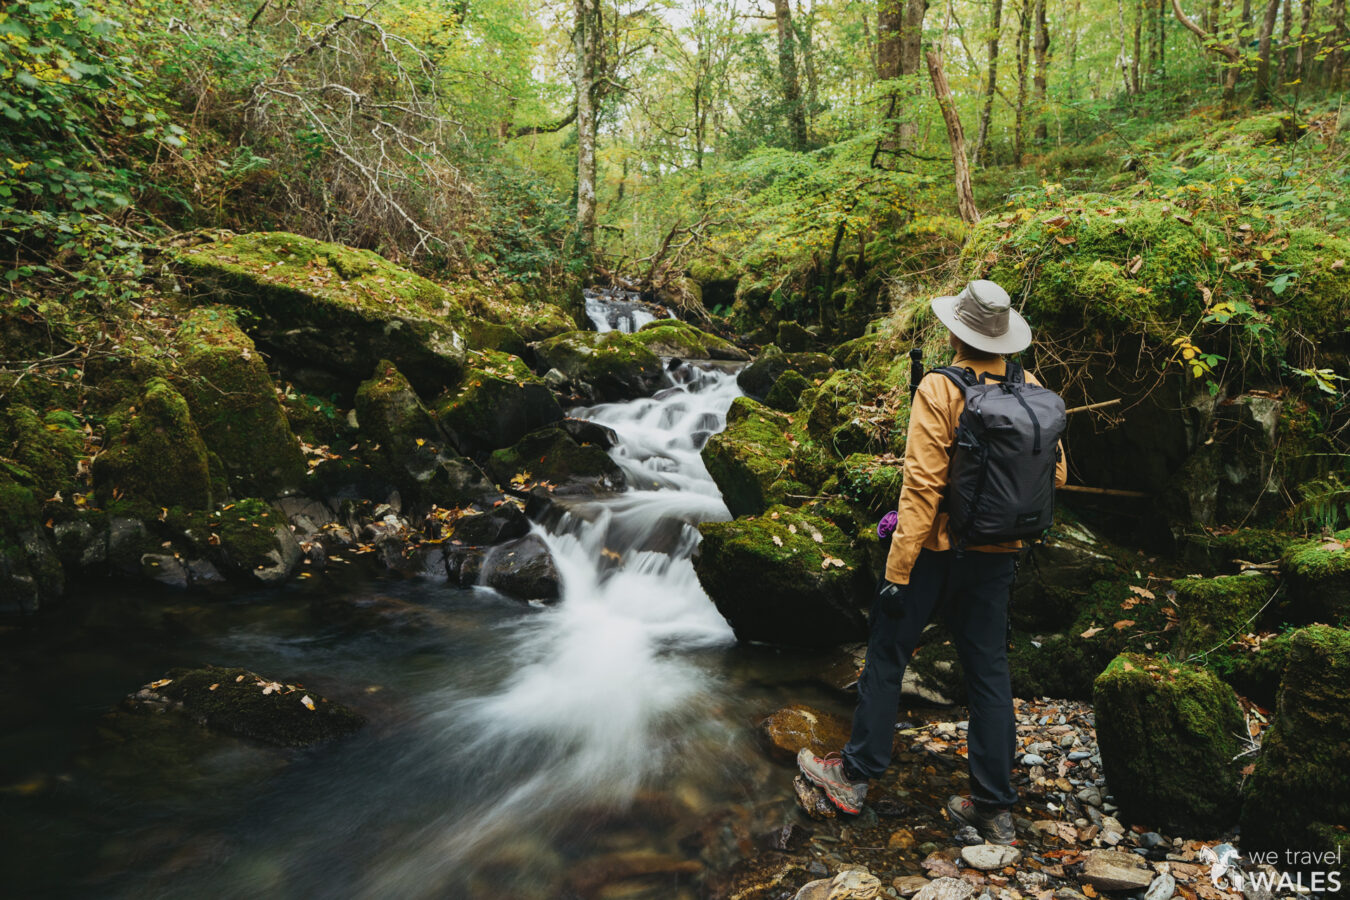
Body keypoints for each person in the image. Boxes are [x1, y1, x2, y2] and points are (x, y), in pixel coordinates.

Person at [796, 279, 1068, 846]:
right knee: (989, 673)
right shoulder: (1032, 387)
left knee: (887, 654)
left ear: (955, 331)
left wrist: (897, 572)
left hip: (936, 553)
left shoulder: (940, 389)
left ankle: (854, 774)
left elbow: (920, 487)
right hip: (998, 555)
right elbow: (1058, 476)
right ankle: (993, 807)